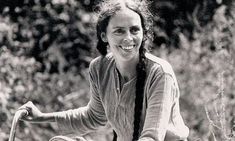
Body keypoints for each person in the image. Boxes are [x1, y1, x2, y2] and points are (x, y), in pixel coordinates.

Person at [18, 0, 189, 140]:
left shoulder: (159, 73)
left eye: (135, 30)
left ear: (144, 33)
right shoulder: (99, 68)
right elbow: (93, 116)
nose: (128, 38)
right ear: (103, 36)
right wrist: (41, 117)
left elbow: (151, 137)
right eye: (119, 31)